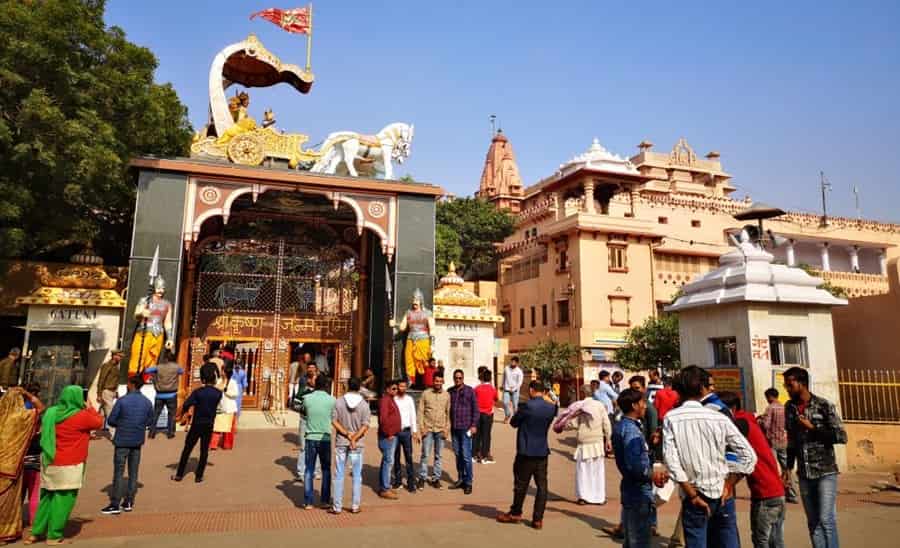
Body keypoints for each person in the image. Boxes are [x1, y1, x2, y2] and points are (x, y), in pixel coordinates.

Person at [662, 366, 757, 548]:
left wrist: (691, 493)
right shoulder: (718, 417)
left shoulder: (672, 418)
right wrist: (729, 484)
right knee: (726, 541)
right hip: (721, 493)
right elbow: (749, 457)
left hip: (695, 495)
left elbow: (671, 461)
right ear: (702, 388)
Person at [26, 385, 104, 546]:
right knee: (63, 500)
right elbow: (99, 422)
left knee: (47, 498)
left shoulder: (51, 413)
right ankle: (54, 535)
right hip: (70, 464)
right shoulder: (81, 415)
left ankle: (35, 533)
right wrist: (89, 407)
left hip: (49, 461)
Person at [783, 366, 847, 548]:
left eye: (790, 385)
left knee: (826, 520)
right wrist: (788, 468)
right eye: (786, 385)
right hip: (804, 474)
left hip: (825, 472)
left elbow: (841, 436)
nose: (787, 389)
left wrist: (813, 428)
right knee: (813, 523)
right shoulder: (789, 408)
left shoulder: (824, 405)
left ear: (802, 384)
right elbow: (792, 440)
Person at [719, 391, 786, 548]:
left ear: (732, 409)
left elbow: (741, 461)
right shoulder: (749, 421)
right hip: (775, 491)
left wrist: (728, 484)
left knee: (761, 540)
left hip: (765, 494)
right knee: (775, 541)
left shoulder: (740, 425)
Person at [496, 380, 557, 530]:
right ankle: (538, 519)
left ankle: (516, 513)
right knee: (542, 486)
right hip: (542, 450)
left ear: (531, 390)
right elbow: (553, 411)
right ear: (543, 391)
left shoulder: (526, 406)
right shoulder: (551, 408)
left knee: (521, 484)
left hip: (526, 451)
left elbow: (514, 423)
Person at [613, 388, 668, 548]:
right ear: (634, 405)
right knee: (639, 540)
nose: (646, 406)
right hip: (638, 490)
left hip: (631, 488)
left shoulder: (625, 426)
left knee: (632, 540)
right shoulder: (631, 430)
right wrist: (654, 475)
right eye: (643, 402)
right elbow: (636, 465)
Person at [101, 376, 154, 515]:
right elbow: (150, 421)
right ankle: (129, 501)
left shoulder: (122, 401)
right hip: (137, 440)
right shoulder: (147, 402)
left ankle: (115, 503)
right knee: (133, 472)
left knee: (118, 472)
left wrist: (123, 423)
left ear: (131, 385)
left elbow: (111, 420)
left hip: (122, 440)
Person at [0, 387, 43, 544]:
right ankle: (5, 534)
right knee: (8, 503)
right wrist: (26, 393)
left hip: (3, 466)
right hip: (12, 467)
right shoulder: (20, 417)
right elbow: (40, 408)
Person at [172, 364, 222, 483]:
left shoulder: (197, 392)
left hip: (197, 424)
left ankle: (179, 474)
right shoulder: (218, 393)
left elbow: (186, 405)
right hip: (209, 424)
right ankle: (199, 476)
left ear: (202, 378)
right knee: (204, 451)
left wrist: (178, 415)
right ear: (214, 378)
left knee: (187, 449)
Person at [329, 376, 370, 514]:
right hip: (357, 444)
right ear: (359, 387)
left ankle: (337, 506)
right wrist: (354, 437)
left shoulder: (339, 402)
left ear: (347, 386)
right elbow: (365, 425)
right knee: (357, 475)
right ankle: (355, 505)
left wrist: (347, 434)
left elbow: (334, 421)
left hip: (342, 441)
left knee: (339, 473)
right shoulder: (364, 404)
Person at [565, 386, 611, 505]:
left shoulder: (579, 406)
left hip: (584, 442)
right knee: (597, 471)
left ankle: (583, 497)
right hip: (597, 442)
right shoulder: (600, 406)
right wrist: (608, 440)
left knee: (583, 470)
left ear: (582, 393)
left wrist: (562, 425)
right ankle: (599, 497)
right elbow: (606, 424)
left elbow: (573, 423)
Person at [302, 374, 335, 509]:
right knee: (326, 469)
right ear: (327, 385)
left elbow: (302, 410)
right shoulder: (332, 400)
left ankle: (308, 501)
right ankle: (325, 500)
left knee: (309, 469)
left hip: (310, 437)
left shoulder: (307, 398)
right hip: (325, 437)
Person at [759, 388, 797, 503]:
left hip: (772, 442)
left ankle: (775, 493)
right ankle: (792, 494)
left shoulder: (770, 408)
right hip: (784, 441)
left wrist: (761, 420)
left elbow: (766, 425)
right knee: (787, 469)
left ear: (769, 397)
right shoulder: (784, 407)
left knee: (772, 468)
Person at [417, 371, 450, 490]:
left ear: (443, 382)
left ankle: (436, 478)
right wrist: (421, 428)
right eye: (436, 381)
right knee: (425, 454)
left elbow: (448, 413)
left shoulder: (446, 395)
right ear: (433, 381)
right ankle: (422, 477)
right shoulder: (426, 394)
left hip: (440, 429)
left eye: (440, 381)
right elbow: (420, 411)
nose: (438, 383)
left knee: (438, 455)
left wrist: (447, 429)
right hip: (428, 429)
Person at [448, 369, 478, 494]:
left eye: (460, 378)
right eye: (456, 378)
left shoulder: (470, 391)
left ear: (463, 378)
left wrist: (474, 425)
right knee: (458, 455)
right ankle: (461, 479)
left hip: (466, 428)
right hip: (454, 429)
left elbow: (476, 410)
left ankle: (468, 482)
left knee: (466, 456)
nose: (458, 380)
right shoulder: (450, 392)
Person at [21, 384, 45, 529]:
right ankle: (34, 522)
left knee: (17, 495)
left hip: (16, 462)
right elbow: (41, 408)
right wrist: (29, 395)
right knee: (34, 493)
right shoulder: (30, 411)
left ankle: (13, 521)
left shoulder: (13, 413)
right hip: (33, 455)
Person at [145, 349, 183, 439]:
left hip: (159, 394)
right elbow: (182, 371)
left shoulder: (158, 367)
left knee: (156, 414)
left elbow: (147, 370)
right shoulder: (176, 367)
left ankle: (152, 433)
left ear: (165, 359)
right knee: (172, 414)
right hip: (172, 394)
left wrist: (154, 375)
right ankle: (170, 433)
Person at [292, 363, 320, 482]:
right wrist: (305, 408)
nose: (313, 379)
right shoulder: (303, 391)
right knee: (304, 447)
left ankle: (316, 471)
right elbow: (295, 405)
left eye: (315, 377)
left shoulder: (321, 392)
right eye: (312, 378)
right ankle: (301, 472)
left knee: (317, 446)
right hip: (304, 420)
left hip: (317, 421)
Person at [392, 379, 418, 493]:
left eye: (404, 386)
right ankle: (398, 481)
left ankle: (411, 483)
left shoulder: (409, 399)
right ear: (397, 387)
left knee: (409, 458)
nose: (402, 388)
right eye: (400, 386)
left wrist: (415, 431)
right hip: (395, 432)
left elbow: (413, 415)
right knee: (396, 457)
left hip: (406, 432)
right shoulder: (393, 399)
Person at [377, 379, 401, 499]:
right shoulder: (385, 400)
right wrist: (389, 433)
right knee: (388, 462)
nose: (396, 391)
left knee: (386, 461)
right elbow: (383, 419)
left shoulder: (390, 400)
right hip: (387, 437)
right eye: (393, 388)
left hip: (392, 435)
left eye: (396, 389)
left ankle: (384, 485)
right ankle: (385, 488)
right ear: (387, 389)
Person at [209, 363, 239, 450]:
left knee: (229, 428)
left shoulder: (233, 382)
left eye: (222, 370)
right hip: (219, 406)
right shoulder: (218, 381)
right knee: (217, 427)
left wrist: (226, 391)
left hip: (229, 407)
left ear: (225, 372)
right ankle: (213, 444)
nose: (221, 372)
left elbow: (235, 394)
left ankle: (227, 445)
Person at [96, 349, 124, 432]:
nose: (121, 358)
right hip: (106, 391)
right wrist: (99, 394)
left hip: (111, 391)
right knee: (110, 413)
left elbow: (114, 380)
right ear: (114, 356)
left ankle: (92, 430)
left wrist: (116, 392)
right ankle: (114, 434)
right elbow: (101, 380)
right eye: (119, 356)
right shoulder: (107, 365)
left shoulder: (116, 366)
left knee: (101, 414)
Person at [474, 370, 498, 464]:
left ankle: (475, 454)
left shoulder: (477, 388)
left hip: (478, 414)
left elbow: (473, 397)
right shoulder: (492, 389)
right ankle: (484, 456)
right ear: (490, 378)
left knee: (477, 435)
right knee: (486, 435)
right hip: (488, 414)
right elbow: (496, 399)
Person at [502, 357, 524, 423]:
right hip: (506, 388)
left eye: (514, 362)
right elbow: (504, 377)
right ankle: (507, 415)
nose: (512, 363)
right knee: (505, 403)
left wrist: (514, 388)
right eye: (512, 361)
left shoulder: (519, 371)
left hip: (515, 390)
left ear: (517, 363)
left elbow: (520, 382)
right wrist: (502, 385)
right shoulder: (506, 368)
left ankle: (515, 419)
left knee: (515, 406)